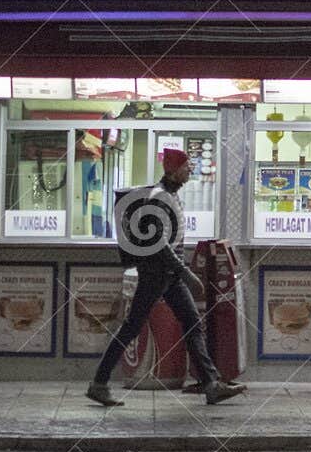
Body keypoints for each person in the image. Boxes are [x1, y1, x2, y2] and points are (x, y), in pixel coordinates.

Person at [87, 148, 247, 407]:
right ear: (172, 170)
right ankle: (98, 383)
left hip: (167, 274)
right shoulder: (160, 198)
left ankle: (211, 384)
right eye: (185, 167)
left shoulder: (168, 196)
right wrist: (185, 271)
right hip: (157, 273)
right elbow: (159, 243)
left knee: (192, 324)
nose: (189, 171)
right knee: (131, 327)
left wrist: (179, 272)